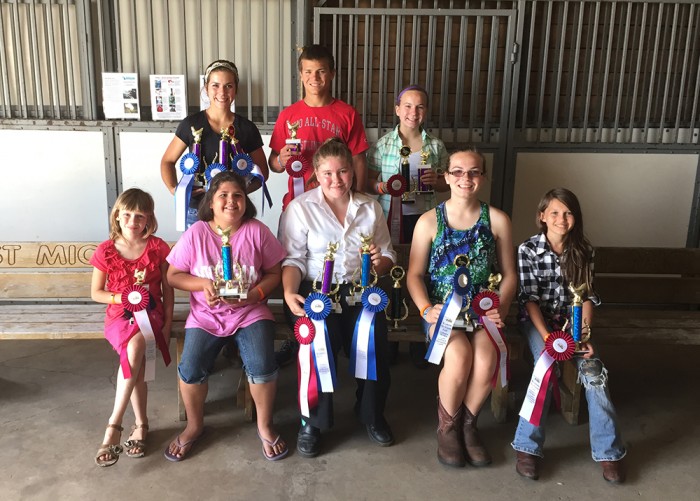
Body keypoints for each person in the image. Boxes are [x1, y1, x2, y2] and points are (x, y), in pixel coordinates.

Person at [278, 138, 396, 458]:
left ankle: (371, 414)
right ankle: (312, 422)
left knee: (376, 342)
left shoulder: (370, 207)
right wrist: (289, 292)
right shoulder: (300, 208)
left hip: (361, 290)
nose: (336, 180)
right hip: (316, 292)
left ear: (352, 172)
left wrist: (378, 260)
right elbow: (292, 260)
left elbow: (387, 256)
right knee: (318, 340)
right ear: (315, 173)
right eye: (327, 173)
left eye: (342, 171)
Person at [164, 171, 288, 462]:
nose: (231, 201)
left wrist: (256, 295)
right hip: (205, 316)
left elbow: (275, 272)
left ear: (246, 201)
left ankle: (264, 425)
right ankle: (195, 427)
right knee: (191, 367)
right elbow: (172, 275)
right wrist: (202, 284)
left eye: (238, 196)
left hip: (250, 313)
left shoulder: (257, 231)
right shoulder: (196, 233)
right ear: (211, 201)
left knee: (262, 364)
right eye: (223, 196)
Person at [406, 149, 516, 468]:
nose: (465, 179)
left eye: (473, 172)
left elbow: (510, 275)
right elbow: (413, 275)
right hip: (442, 312)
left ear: (482, 177)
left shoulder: (498, 220)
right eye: (457, 172)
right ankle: (447, 428)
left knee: (485, 359)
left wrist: (501, 307)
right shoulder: (429, 221)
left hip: (483, 312)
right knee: (459, 356)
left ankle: (469, 425)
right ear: (446, 176)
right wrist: (426, 309)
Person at [511, 188, 626, 483]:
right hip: (539, 323)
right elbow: (529, 300)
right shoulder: (527, 250)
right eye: (554, 213)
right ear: (542, 217)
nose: (562, 219)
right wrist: (549, 339)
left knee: (594, 373)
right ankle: (527, 447)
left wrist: (583, 335)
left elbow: (588, 296)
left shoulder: (585, 250)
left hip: (573, 324)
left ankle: (608, 452)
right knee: (544, 369)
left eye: (568, 213)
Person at [269, 44, 370, 366]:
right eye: (308, 72)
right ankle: (298, 331)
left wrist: (361, 195)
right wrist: (280, 160)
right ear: (300, 75)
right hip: (298, 208)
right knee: (294, 267)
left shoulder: (346, 113)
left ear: (332, 74)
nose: (315, 78)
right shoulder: (288, 115)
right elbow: (273, 163)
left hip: (340, 203)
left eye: (322, 71)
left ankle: (348, 338)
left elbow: (357, 159)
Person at [367, 84, 449, 367]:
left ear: (426, 111)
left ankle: (419, 333)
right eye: (408, 106)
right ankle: (389, 335)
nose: (413, 112)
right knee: (390, 273)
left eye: (420, 107)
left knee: (421, 272)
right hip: (391, 217)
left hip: (424, 219)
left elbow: (447, 183)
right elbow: (367, 180)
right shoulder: (382, 144)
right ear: (397, 109)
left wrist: (435, 181)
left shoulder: (435, 146)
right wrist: (382, 185)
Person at [90, 188, 173, 467]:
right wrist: (122, 297)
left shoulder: (158, 247)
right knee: (134, 355)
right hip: (118, 316)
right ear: (117, 215)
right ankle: (140, 424)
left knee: (136, 347)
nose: (133, 221)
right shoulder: (106, 249)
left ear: (149, 218)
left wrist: (167, 322)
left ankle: (114, 427)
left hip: (151, 314)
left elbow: (167, 290)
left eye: (140, 216)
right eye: (127, 214)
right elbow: (96, 293)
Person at [160, 59, 269, 227]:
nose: (222, 92)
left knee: (232, 253)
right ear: (206, 88)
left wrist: (238, 193)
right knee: (198, 254)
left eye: (228, 86)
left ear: (236, 89)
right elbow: (167, 161)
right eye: (215, 85)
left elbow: (263, 173)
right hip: (196, 210)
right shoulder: (191, 124)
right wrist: (176, 190)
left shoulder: (247, 128)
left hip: (231, 211)